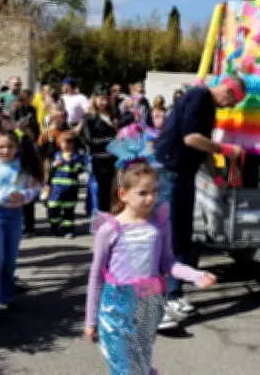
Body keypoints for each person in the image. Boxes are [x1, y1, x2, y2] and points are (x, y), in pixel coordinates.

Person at [84, 162, 217, 374]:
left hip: (148, 304)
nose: (150, 198)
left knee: (140, 362)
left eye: (155, 191)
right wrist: (91, 320)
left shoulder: (159, 224)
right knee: (124, 367)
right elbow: (96, 277)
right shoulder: (109, 229)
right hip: (115, 309)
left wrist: (196, 275)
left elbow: (168, 263)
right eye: (143, 193)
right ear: (124, 194)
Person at [153, 76, 246, 327]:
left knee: (182, 237)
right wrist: (225, 150)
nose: (229, 106)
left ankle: (173, 294)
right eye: (232, 101)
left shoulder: (208, 106)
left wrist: (216, 175)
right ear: (227, 90)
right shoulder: (198, 97)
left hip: (184, 175)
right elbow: (191, 138)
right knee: (170, 237)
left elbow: (201, 147)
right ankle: (159, 302)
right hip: (170, 174)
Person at [0, 130, 43, 309]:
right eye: (1, 147)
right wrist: (2, 198)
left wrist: (24, 195)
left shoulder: (22, 166)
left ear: (17, 148)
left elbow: (35, 188)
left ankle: (7, 295)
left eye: (10, 147)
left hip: (15, 217)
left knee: (10, 258)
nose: (5, 151)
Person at [82, 83, 118, 213]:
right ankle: (104, 216)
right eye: (101, 98)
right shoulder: (89, 117)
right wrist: (110, 139)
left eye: (106, 98)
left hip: (115, 157)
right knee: (103, 190)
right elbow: (89, 140)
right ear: (94, 99)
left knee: (114, 189)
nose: (104, 102)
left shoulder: (114, 115)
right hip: (100, 159)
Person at [47, 131, 84, 238]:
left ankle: (68, 230)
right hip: (56, 189)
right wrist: (54, 165)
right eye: (63, 142)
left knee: (68, 212)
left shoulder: (77, 156)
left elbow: (78, 169)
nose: (65, 145)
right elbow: (50, 168)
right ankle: (55, 225)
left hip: (70, 190)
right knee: (53, 208)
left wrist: (70, 161)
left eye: (69, 143)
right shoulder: (56, 155)